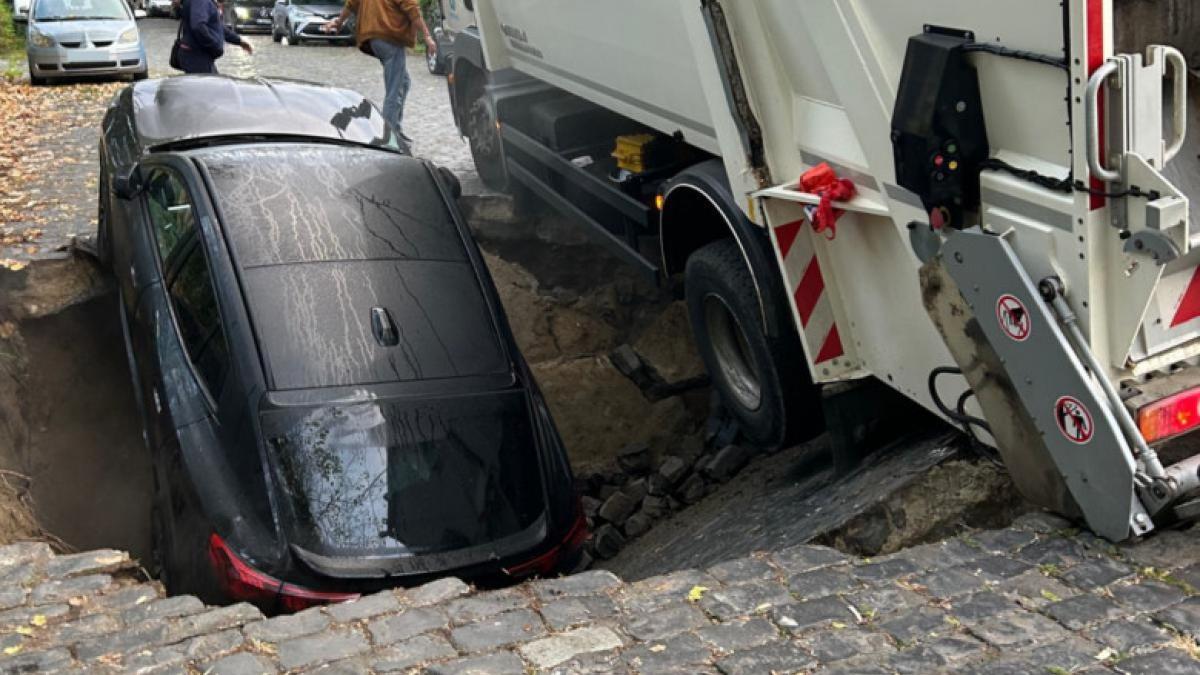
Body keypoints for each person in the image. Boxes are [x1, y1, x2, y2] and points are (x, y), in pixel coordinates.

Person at [326, 0, 435, 139]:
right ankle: (389, 136)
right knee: (394, 91)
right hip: (389, 36)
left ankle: (395, 128)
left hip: (374, 38)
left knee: (404, 82)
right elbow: (412, 9)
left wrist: (339, 21)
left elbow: (351, 4)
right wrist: (427, 36)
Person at [177, 0, 253, 74]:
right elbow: (198, 27)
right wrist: (214, 46)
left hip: (200, 56)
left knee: (215, 83)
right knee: (209, 85)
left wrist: (239, 41)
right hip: (196, 56)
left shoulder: (208, 2)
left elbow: (218, 27)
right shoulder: (202, 1)